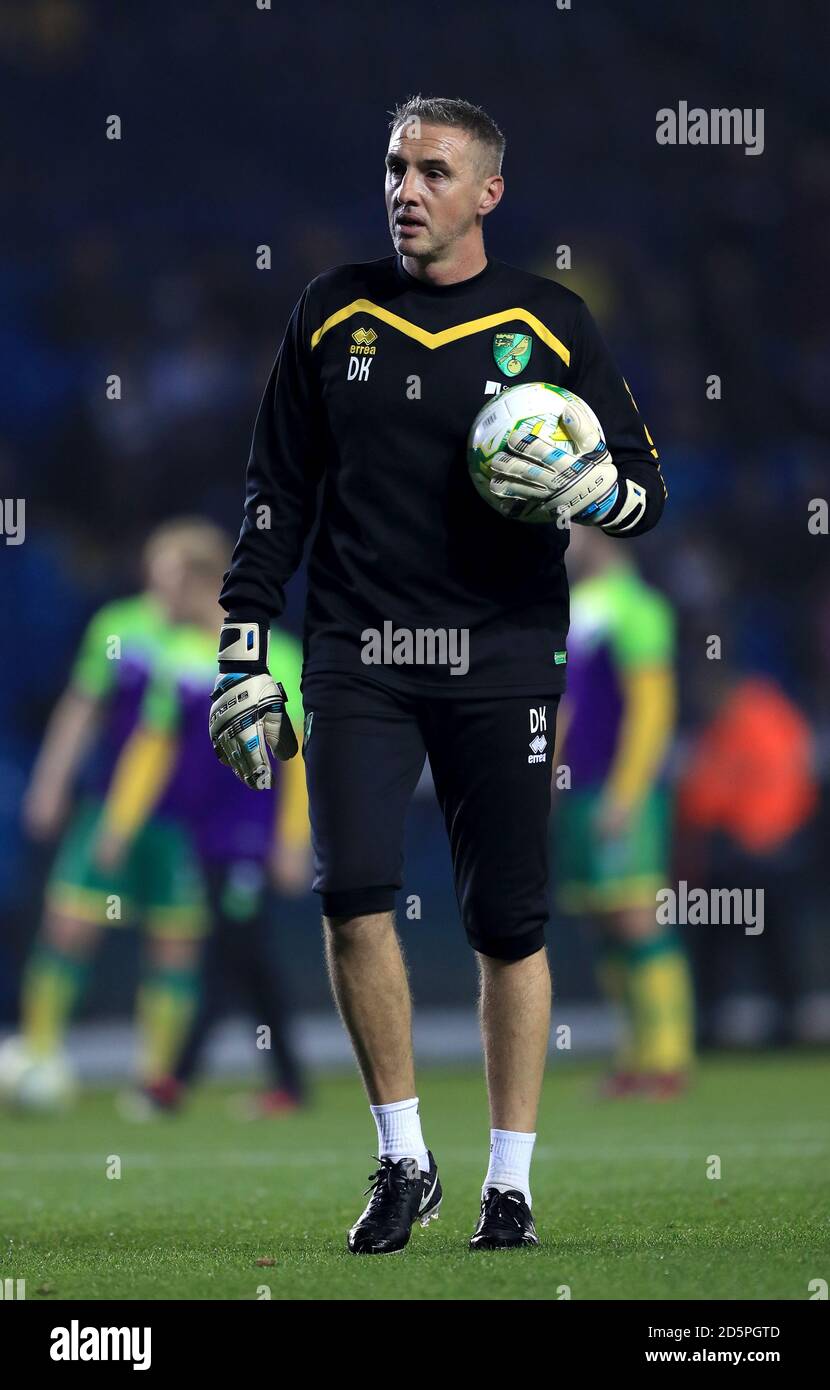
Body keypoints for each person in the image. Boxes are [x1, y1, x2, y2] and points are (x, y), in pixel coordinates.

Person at [208, 95, 666, 1253]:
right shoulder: (329, 312)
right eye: (394, 167)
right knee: (351, 890)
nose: (404, 189)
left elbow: (647, 484)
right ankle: (401, 1157)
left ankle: (507, 1182)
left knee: (506, 926)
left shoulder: (550, 323)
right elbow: (275, 493)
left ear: (486, 194)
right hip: (357, 652)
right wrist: (241, 642)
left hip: (503, 653)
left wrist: (598, 495)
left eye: (432, 171)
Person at [98, 539, 309, 1114]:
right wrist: (119, 824)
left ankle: (174, 1081)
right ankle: (289, 1084)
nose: (157, 592)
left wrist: (293, 840)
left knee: (229, 949)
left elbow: (292, 757)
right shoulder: (178, 657)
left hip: (250, 835)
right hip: (202, 835)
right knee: (245, 954)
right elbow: (153, 748)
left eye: (166, 579)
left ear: (200, 581)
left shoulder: (271, 653)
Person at [15, 521, 214, 1094]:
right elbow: (83, 707)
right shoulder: (118, 629)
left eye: (185, 573)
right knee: (70, 926)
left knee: (174, 944)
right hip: (109, 807)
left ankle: (154, 1077)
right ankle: (41, 1055)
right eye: (163, 569)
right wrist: (50, 783)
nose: (171, 584)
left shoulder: (221, 641)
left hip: (184, 821)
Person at [552, 526, 694, 1099]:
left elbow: (652, 710)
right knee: (607, 920)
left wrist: (627, 792)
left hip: (620, 791)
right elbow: (564, 706)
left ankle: (668, 1059)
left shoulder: (639, 607)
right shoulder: (575, 608)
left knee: (638, 915)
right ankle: (635, 1057)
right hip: (582, 789)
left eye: (567, 526)